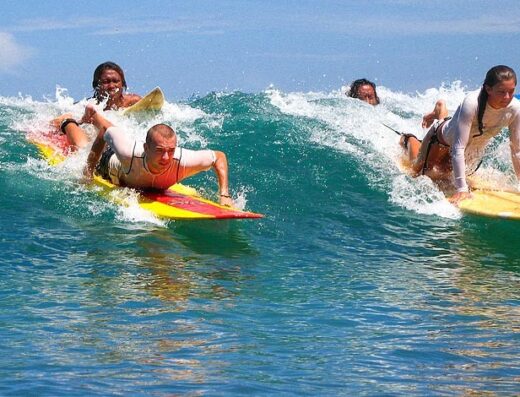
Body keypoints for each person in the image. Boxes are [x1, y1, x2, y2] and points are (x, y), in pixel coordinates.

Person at [401, 65, 520, 203]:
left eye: (511, 91)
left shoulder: (515, 109)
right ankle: (409, 138)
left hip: (467, 146)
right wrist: (462, 190)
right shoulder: (472, 102)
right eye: (501, 92)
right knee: (418, 173)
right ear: (488, 89)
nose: (507, 97)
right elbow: (458, 148)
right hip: (441, 141)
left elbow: (517, 151)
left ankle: (440, 111)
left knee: (444, 173)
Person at [80, 104, 234, 206]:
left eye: (171, 150)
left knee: (115, 133)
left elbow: (218, 156)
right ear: (146, 148)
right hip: (110, 163)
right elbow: (104, 133)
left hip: (132, 159)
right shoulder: (129, 153)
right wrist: (88, 172)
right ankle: (69, 122)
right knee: (82, 144)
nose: (166, 158)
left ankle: (95, 115)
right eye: (160, 151)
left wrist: (224, 194)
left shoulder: (183, 160)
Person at [51, 61, 142, 150]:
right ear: (96, 85)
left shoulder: (133, 101)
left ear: (122, 83)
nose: (111, 86)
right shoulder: (88, 105)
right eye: (106, 82)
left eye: (116, 81)